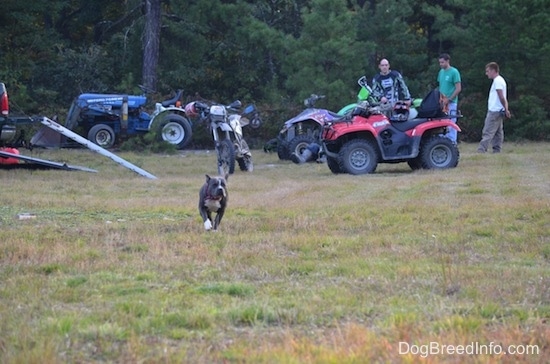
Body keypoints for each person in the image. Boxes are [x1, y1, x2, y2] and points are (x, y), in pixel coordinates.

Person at [477, 62, 511, 153]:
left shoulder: (498, 81)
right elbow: (504, 97)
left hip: (494, 111)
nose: (486, 73)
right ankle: (497, 150)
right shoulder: (499, 80)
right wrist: (505, 109)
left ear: (493, 71)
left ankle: (481, 149)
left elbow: (501, 97)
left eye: (488, 71)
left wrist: (506, 108)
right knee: (498, 132)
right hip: (499, 110)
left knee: (488, 131)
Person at [437, 53, 462, 143]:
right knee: (441, 123)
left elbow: (458, 88)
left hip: (451, 103)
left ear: (448, 61)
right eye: (440, 62)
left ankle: (452, 143)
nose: (441, 64)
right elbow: (441, 86)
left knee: (451, 123)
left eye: (442, 62)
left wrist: (449, 99)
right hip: (442, 102)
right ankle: (442, 142)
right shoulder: (441, 72)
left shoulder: (454, 72)